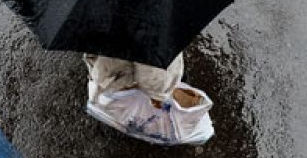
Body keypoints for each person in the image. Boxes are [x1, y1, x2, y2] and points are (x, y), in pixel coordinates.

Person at [82, 53, 214, 146]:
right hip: (127, 73)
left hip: (106, 72)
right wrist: (160, 95)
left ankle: (105, 91)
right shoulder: (150, 27)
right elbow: (155, 71)